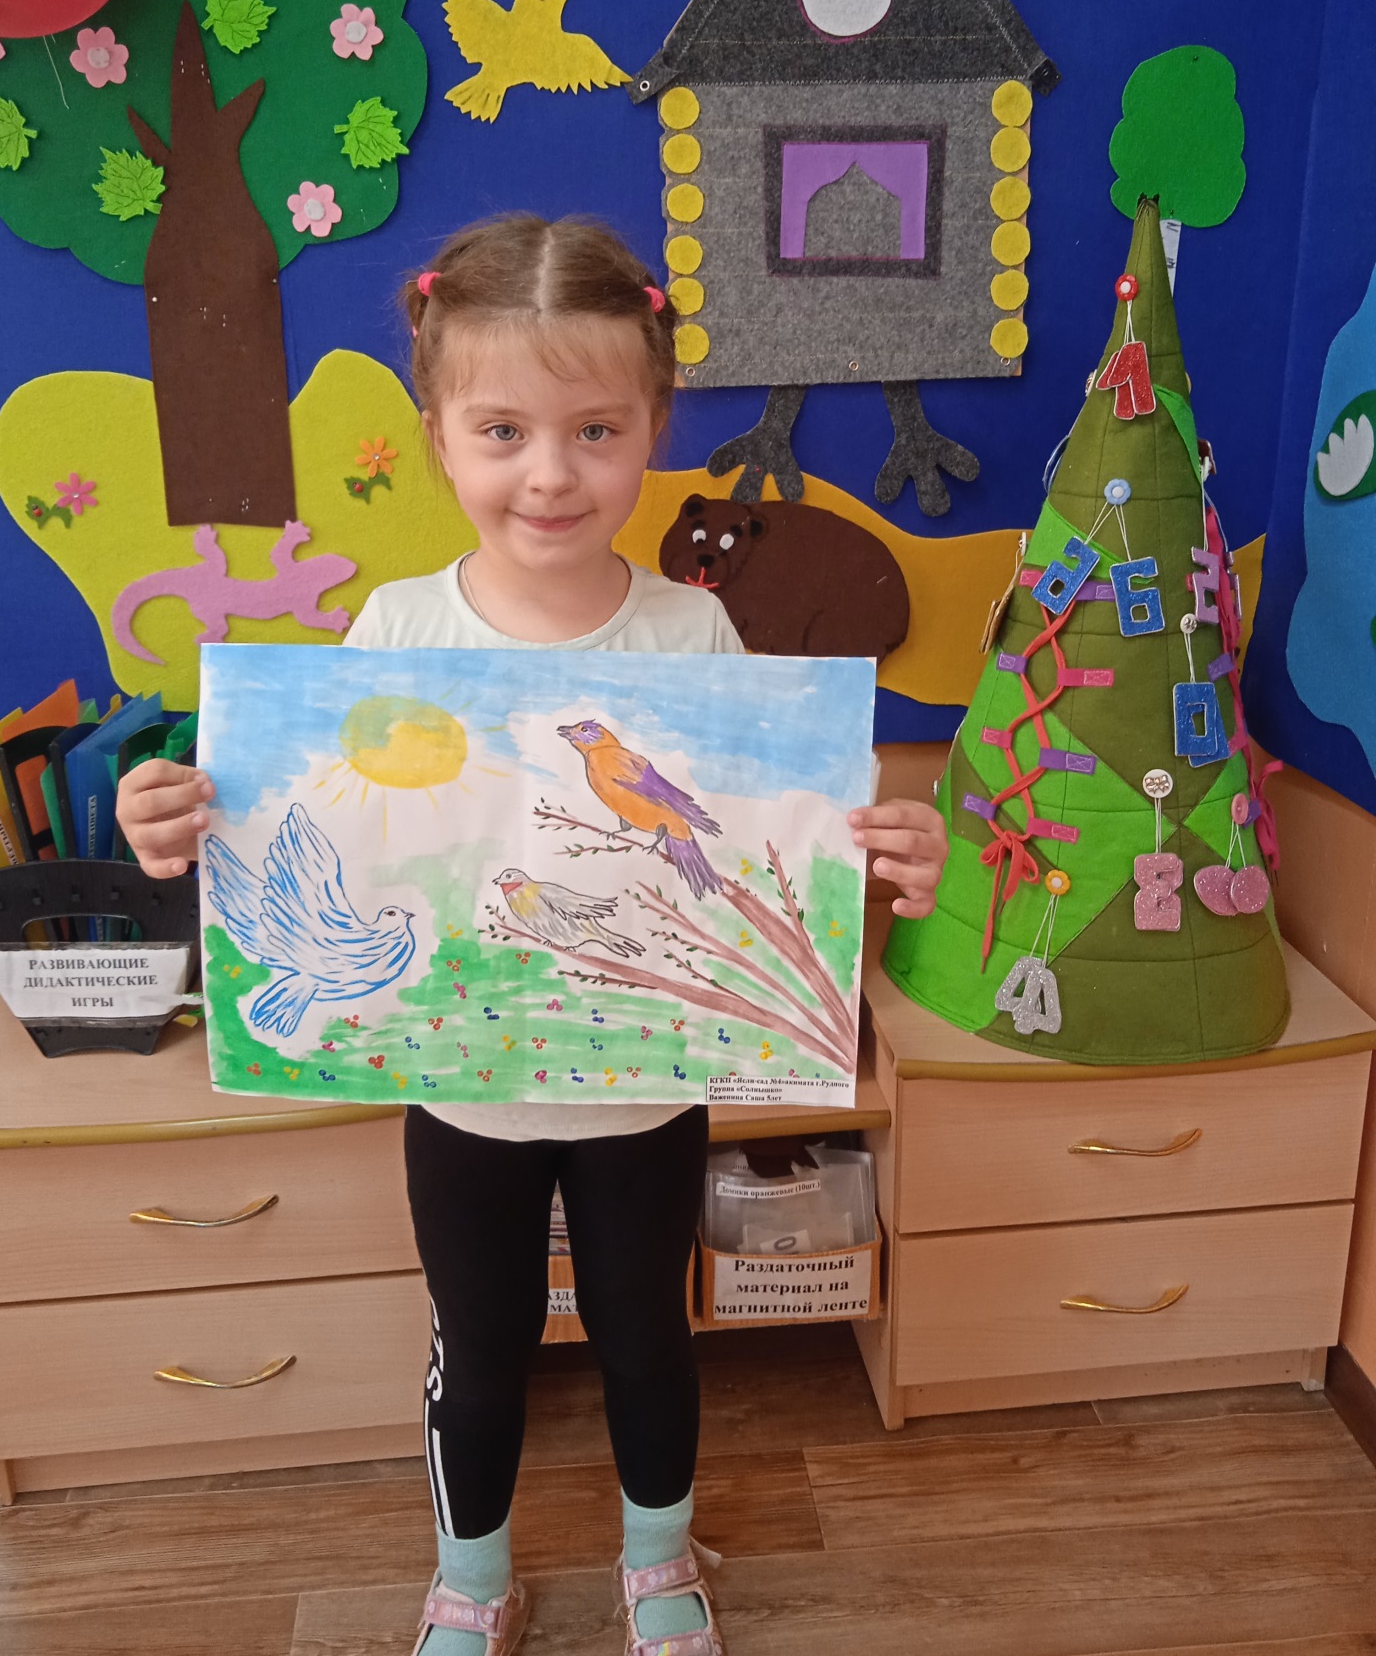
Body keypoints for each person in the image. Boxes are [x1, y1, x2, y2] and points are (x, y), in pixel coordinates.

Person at [116, 214, 948, 1656]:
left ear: (653, 430)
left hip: (646, 1096)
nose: (550, 473)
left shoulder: (695, 636)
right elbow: (310, 825)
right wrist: (178, 824)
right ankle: (472, 1577)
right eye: (502, 430)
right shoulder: (393, 631)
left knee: (648, 1336)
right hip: (461, 1102)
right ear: (438, 435)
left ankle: (659, 1562)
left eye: (594, 431)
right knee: (480, 1349)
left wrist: (885, 860)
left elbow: (761, 847)